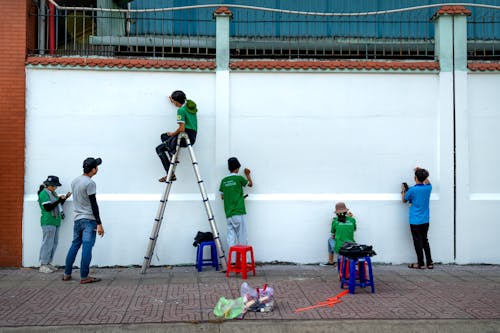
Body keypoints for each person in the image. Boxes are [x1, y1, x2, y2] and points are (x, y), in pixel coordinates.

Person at [63, 157, 105, 284]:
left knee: (74, 245)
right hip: (89, 220)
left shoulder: (75, 181)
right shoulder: (90, 183)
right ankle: (84, 276)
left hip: (77, 219)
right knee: (87, 247)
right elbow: (93, 204)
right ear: (93, 170)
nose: (97, 168)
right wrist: (99, 223)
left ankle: (67, 273)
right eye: (96, 167)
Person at [156, 90, 198, 182]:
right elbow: (181, 103)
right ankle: (172, 155)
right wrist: (172, 99)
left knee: (159, 149)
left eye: (174, 102)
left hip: (184, 137)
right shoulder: (190, 106)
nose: (174, 104)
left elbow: (182, 129)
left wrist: (172, 134)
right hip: (192, 136)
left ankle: (170, 174)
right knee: (164, 136)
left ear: (177, 101)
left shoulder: (181, 110)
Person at [401, 167, 433, 270]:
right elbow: (427, 181)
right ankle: (430, 263)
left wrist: (403, 191)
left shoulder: (412, 190)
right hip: (425, 220)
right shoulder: (428, 188)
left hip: (415, 221)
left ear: (415, 177)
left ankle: (420, 263)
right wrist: (421, 171)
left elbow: (404, 200)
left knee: (417, 242)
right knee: (425, 240)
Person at [37, 175, 71, 273]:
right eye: (55, 185)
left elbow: (57, 205)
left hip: (55, 220)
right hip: (48, 221)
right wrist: (59, 200)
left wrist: (63, 199)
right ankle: (43, 264)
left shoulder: (52, 193)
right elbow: (48, 207)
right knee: (47, 243)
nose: (56, 187)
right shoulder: (44, 193)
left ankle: (48, 263)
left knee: (54, 243)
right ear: (50, 185)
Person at [219, 157, 253, 248]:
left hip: (228, 214)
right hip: (239, 212)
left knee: (231, 238)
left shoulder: (224, 180)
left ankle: (232, 261)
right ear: (237, 168)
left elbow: (222, 197)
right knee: (242, 237)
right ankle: (243, 260)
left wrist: (234, 197)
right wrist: (247, 174)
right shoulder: (239, 178)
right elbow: (250, 184)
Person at [320, 202, 356, 267]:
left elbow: (333, 236)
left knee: (330, 239)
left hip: (340, 248)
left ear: (336, 213)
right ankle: (341, 259)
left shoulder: (335, 221)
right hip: (351, 246)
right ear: (346, 212)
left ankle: (331, 261)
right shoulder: (352, 220)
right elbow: (354, 229)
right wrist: (350, 217)